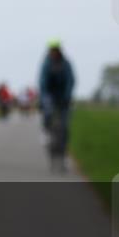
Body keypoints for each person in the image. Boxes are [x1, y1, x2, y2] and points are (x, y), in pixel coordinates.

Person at [38, 40, 75, 173]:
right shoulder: (46, 64)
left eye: (55, 50)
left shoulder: (66, 64)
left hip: (63, 95)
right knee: (47, 111)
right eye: (51, 50)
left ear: (59, 51)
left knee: (65, 126)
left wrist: (67, 96)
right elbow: (42, 81)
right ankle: (46, 130)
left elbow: (71, 80)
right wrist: (43, 98)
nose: (53, 52)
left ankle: (64, 156)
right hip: (49, 95)